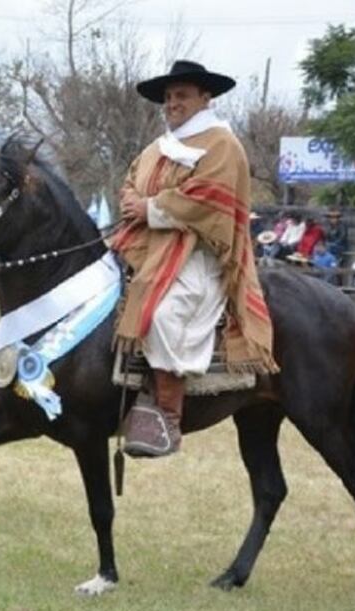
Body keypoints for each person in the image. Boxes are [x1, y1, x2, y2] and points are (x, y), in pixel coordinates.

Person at [111, 60, 278, 458]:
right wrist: (134, 203)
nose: (172, 104)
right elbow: (131, 185)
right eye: (168, 98)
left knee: (164, 312)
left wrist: (149, 207)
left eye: (181, 95)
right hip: (150, 246)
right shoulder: (158, 147)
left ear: (206, 97)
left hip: (198, 254)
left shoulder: (221, 144)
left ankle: (168, 415)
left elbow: (210, 200)